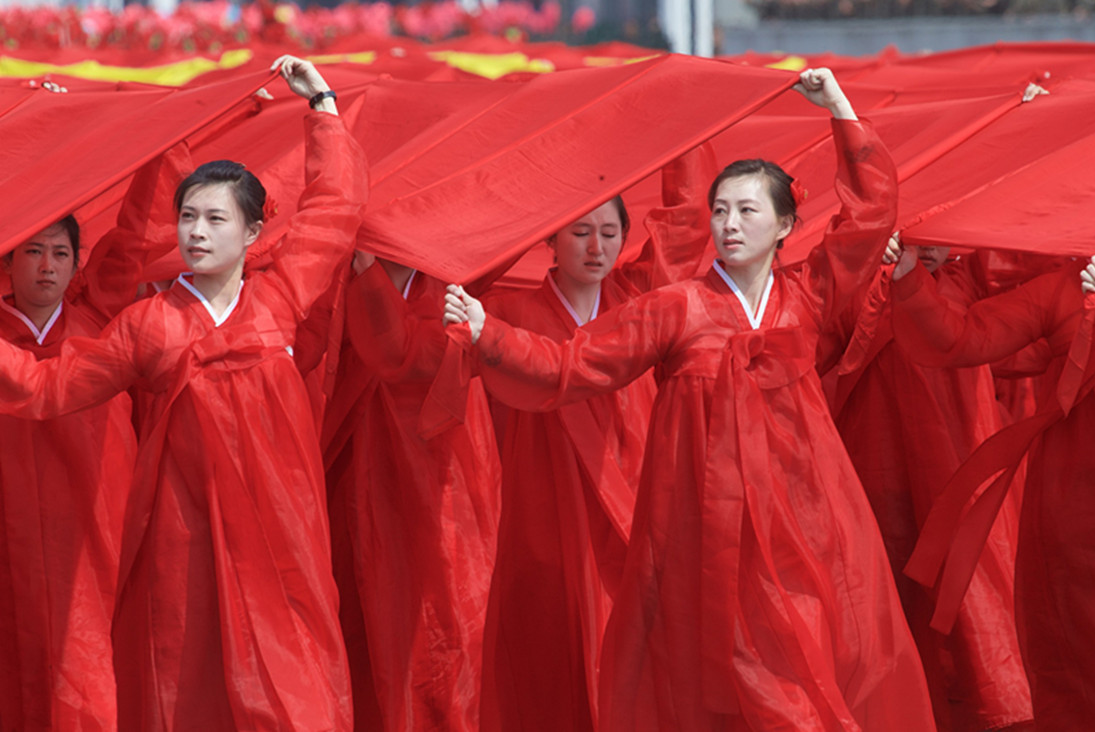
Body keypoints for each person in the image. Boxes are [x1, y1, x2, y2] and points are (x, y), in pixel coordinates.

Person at [442, 68, 935, 730]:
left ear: (787, 224)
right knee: (739, 673)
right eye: (721, 211)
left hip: (809, 516)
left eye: (748, 211)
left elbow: (872, 211)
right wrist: (488, 333)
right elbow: (571, 365)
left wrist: (839, 109)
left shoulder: (809, 294)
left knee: (824, 653)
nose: (730, 224)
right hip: (714, 526)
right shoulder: (678, 307)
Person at [0, 55, 365, 731]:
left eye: (216, 220)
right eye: (188, 218)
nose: (197, 232)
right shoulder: (148, 324)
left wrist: (323, 111)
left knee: (296, 691)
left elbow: (335, 212)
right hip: (183, 538)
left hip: (281, 533)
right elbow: (50, 389)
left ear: (253, 233)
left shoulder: (280, 299)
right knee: (183, 686)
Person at [475, 147, 713, 732]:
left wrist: (684, 134)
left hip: (630, 490)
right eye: (580, 232)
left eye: (609, 232)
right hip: (539, 506)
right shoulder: (504, 309)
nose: (595, 247)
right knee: (547, 641)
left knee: (633, 630)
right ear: (549, 241)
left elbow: (685, 223)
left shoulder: (641, 301)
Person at [822, 234, 1033, 731]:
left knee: (970, 602)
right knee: (886, 591)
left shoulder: (970, 281)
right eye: (917, 236)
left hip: (957, 473)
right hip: (877, 469)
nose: (931, 249)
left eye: (943, 238)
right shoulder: (859, 293)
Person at [890, 244, 1095, 728]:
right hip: (1073, 514)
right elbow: (961, 338)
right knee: (1078, 655)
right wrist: (908, 276)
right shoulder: (1066, 287)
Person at [320, 247, 501, 732]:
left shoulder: (454, 294)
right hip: (351, 475)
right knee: (359, 616)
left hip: (443, 485)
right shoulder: (329, 291)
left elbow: (398, 351)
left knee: (447, 612)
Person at [0, 207, 150, 729]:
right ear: (9, 262)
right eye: (34, 251)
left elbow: (136, 231)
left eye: (60, 253)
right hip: (10, 531)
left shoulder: (98, 326)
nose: (47, 266)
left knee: (96, 650)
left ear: (77, 265)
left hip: (94, 524)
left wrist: (163, 143)